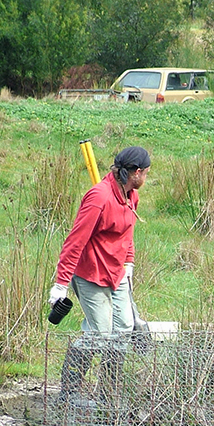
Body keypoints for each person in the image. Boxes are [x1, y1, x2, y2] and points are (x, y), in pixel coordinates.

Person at [48, 146, 150, 403]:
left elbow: (127, 234)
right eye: (146, 173)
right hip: (90, 275)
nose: (146, 178)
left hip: (117, 273)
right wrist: (61, 285)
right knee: (100, 336)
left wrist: (129, 265)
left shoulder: (131, 196)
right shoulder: (99, 198)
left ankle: (108, 394)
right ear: (136, 173)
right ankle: (68, 393)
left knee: (125, 328)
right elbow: (75, 241)